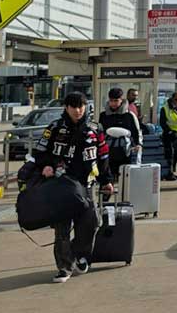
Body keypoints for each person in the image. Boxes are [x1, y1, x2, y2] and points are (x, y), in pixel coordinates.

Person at [29, 92, 112, 283]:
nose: (78, 110)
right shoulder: (55, 128)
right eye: (74, 106)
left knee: (91, 223)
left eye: (81, 106)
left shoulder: (95, 128)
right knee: (62, 228)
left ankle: (79, 255)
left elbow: (103, 156)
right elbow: (40, 152)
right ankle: (64, 267)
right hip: (61, 185)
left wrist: (107, 180)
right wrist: (46, 166)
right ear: (66, 107)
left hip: (87, 184)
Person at [98, 87, 142, 170]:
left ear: (121, 100)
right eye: (111, 101)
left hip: (125, 151)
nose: (113, 103)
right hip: (108, 151)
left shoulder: (129, 115)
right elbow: (100, 132)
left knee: (125, 176)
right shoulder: (103, 115)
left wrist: (138, 144)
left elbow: (136, 131)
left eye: (116, 101)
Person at [159, 92, 177, 180]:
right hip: (169, 135)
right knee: (170, 155)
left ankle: (173, 171)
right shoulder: (165, 109)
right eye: (176, 99)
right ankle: (169, 172)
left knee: (176, 155)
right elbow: (163, 123)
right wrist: (170, 131)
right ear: (172, 99)